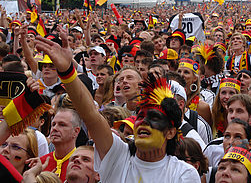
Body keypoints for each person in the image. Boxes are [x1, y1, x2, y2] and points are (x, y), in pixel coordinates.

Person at [34, 31, 199, 182]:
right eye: (140, 117)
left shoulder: (183, 173)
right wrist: (67, 72)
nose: (143, 122)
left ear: (170, 132)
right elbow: (91, 114)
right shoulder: (118, 155)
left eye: (154, 118)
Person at [40, 108, 81, 181]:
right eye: (53, 124)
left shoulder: (82, 164)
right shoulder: (41, 164)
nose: (54, 128)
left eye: (62, 125)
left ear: (76, 131)